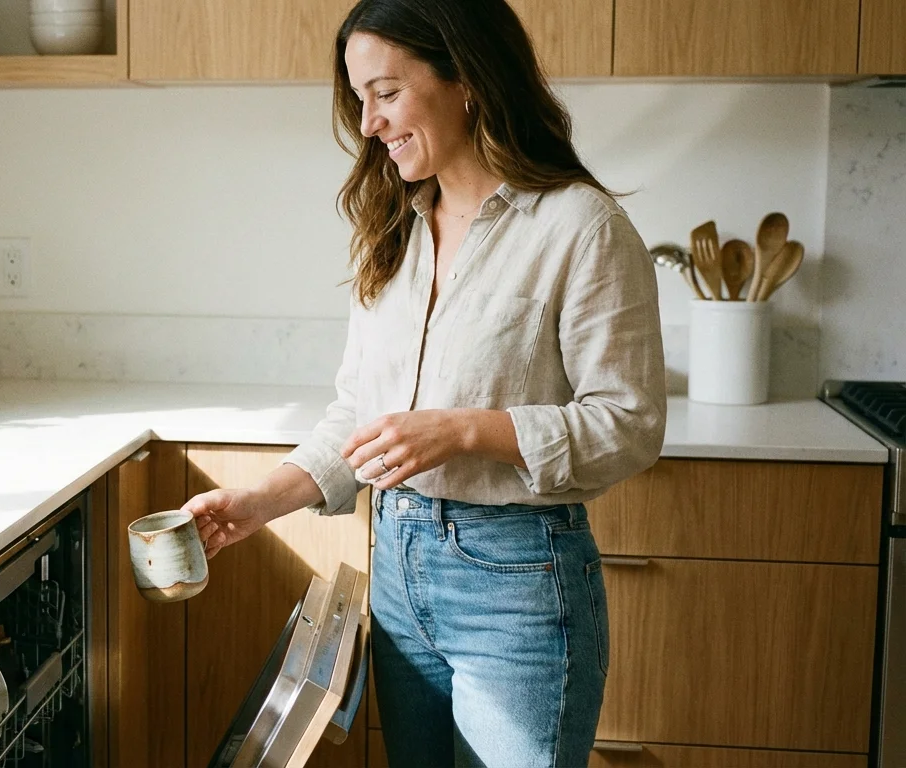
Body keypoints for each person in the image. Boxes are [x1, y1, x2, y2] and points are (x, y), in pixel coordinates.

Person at [180, 0, 667, 765]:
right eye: (359, 98)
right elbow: (362, 414)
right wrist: (261, 503)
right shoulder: (394, 226)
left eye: (386, 92)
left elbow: (629, 423)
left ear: (466, 78)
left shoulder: (580, 227)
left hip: (517, 585)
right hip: (399, 573)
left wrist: (465, 429)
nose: (368, 123)